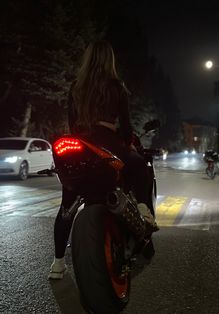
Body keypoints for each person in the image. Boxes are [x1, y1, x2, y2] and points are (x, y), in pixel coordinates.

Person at [48, 40, 158, 279]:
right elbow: (127, 126)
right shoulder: (116, 86)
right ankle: (143, 210)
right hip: (107, 142)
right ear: (110, 60)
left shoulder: (76, 86)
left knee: (67, 205)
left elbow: (71, 122)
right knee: (140, 166)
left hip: (80, 145)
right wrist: (127, 141)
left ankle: (57, 264)